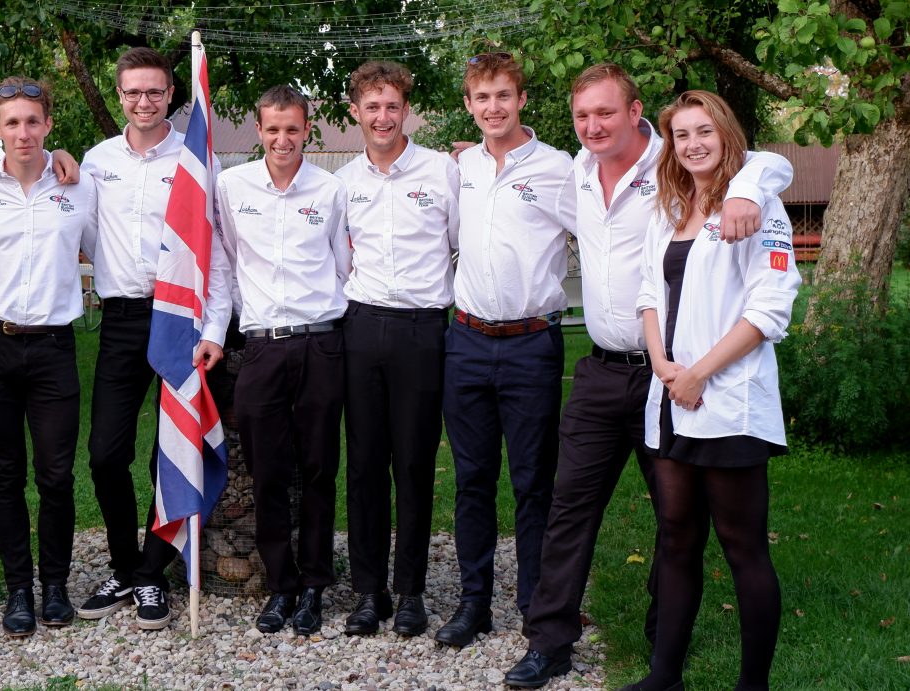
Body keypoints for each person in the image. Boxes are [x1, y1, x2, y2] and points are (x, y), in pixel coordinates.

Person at [504, 65, 794, 687]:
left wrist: (748, 188)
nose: (593, 126)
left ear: (635, 113)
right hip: (628, 376)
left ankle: (691, 656)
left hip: (709, 389)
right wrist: (666, 365)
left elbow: (769, 166)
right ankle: (567, 647)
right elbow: (649, 290)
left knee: (708, 535)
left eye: (605, 112)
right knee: (594, 513)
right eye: (582, 116)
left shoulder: (708, 180)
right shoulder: (604, 179)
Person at [623, 89, 799, 691]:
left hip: (728, 402)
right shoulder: (670, 210)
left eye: (705, 131)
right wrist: (664, 365)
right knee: (676, 538)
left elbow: (769, 309)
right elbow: (650, 293)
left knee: (742, 546)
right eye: (681, 135)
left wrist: (700, 373)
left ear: (726, 134)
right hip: (672, 398)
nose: (693, 144)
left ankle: (753, 686)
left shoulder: (757, 206)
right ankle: (663, 677)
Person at [74, 47, 231, 631]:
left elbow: (216, 254)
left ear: (171, 95)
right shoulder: (96, 162)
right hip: (121, 319)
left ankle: (150, 572)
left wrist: (215, 329)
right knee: (105, 454)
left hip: (180, 322)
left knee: (171, 453)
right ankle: (123, 565)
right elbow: (80, 228)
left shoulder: (197, 160)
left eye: (155, 91)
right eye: (133, 92)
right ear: (119, 95)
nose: (144, 101)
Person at [437, 53, 575, 649]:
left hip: (531, 344)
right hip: (466, 341)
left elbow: (604, 227)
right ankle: (474, 604)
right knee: (472, 480)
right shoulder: (461, 167)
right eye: (482, 98)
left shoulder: (558, 168)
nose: (493, 107)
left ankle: (534, 605)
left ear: (521, 100)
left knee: (532, 481)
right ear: (468, 105)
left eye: (503, 96)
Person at [0, 76, 97, 638]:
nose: (23, 132)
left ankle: (55, 586)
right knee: (6, 474)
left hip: (53, 346)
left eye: (32, 121)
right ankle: (18, 589)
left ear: (48, 125)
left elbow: (105, 246)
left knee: (56, 474)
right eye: (11, 122)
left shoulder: (78, 186)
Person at [215, 85, 350, 636]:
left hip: (320, 342)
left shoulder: (331, 189)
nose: (283, 139)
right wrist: (227, 325)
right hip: (262, 346)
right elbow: (226, 265)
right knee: (267, 472)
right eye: (273, 129)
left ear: (307, 129)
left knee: (318, 470)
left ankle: (314, 585)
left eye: (292, 129)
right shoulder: (232, 187)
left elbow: (343, 266)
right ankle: (281, 585)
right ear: (259, 130)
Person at [335, 60, 458, 637]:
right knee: (364, 464)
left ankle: (411, 591)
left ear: (406, 110)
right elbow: (341, 256)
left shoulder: (442, 172)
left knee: (412, 461)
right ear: (355, 112)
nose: (382, 117)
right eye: (372, 107)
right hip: (361, 327)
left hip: (421, 329)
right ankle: (369, 592)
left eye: (392, 106)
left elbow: (460, 242)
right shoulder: (343, 182)